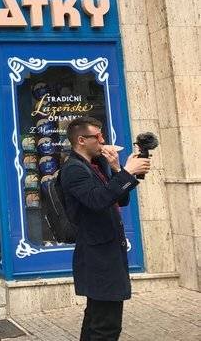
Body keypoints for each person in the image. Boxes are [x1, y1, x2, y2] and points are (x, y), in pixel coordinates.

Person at [60, 117, 151, 341]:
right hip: (97, 256)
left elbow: (120, 200)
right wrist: (127, 173)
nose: (103, 140)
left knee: (96, 320)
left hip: (107, 252)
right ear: (81, 140)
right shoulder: (73, 169)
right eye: (97, 136)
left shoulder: (95, 165)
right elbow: (97, 200)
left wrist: (118, 168)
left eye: (102, 135)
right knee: (106, 327)